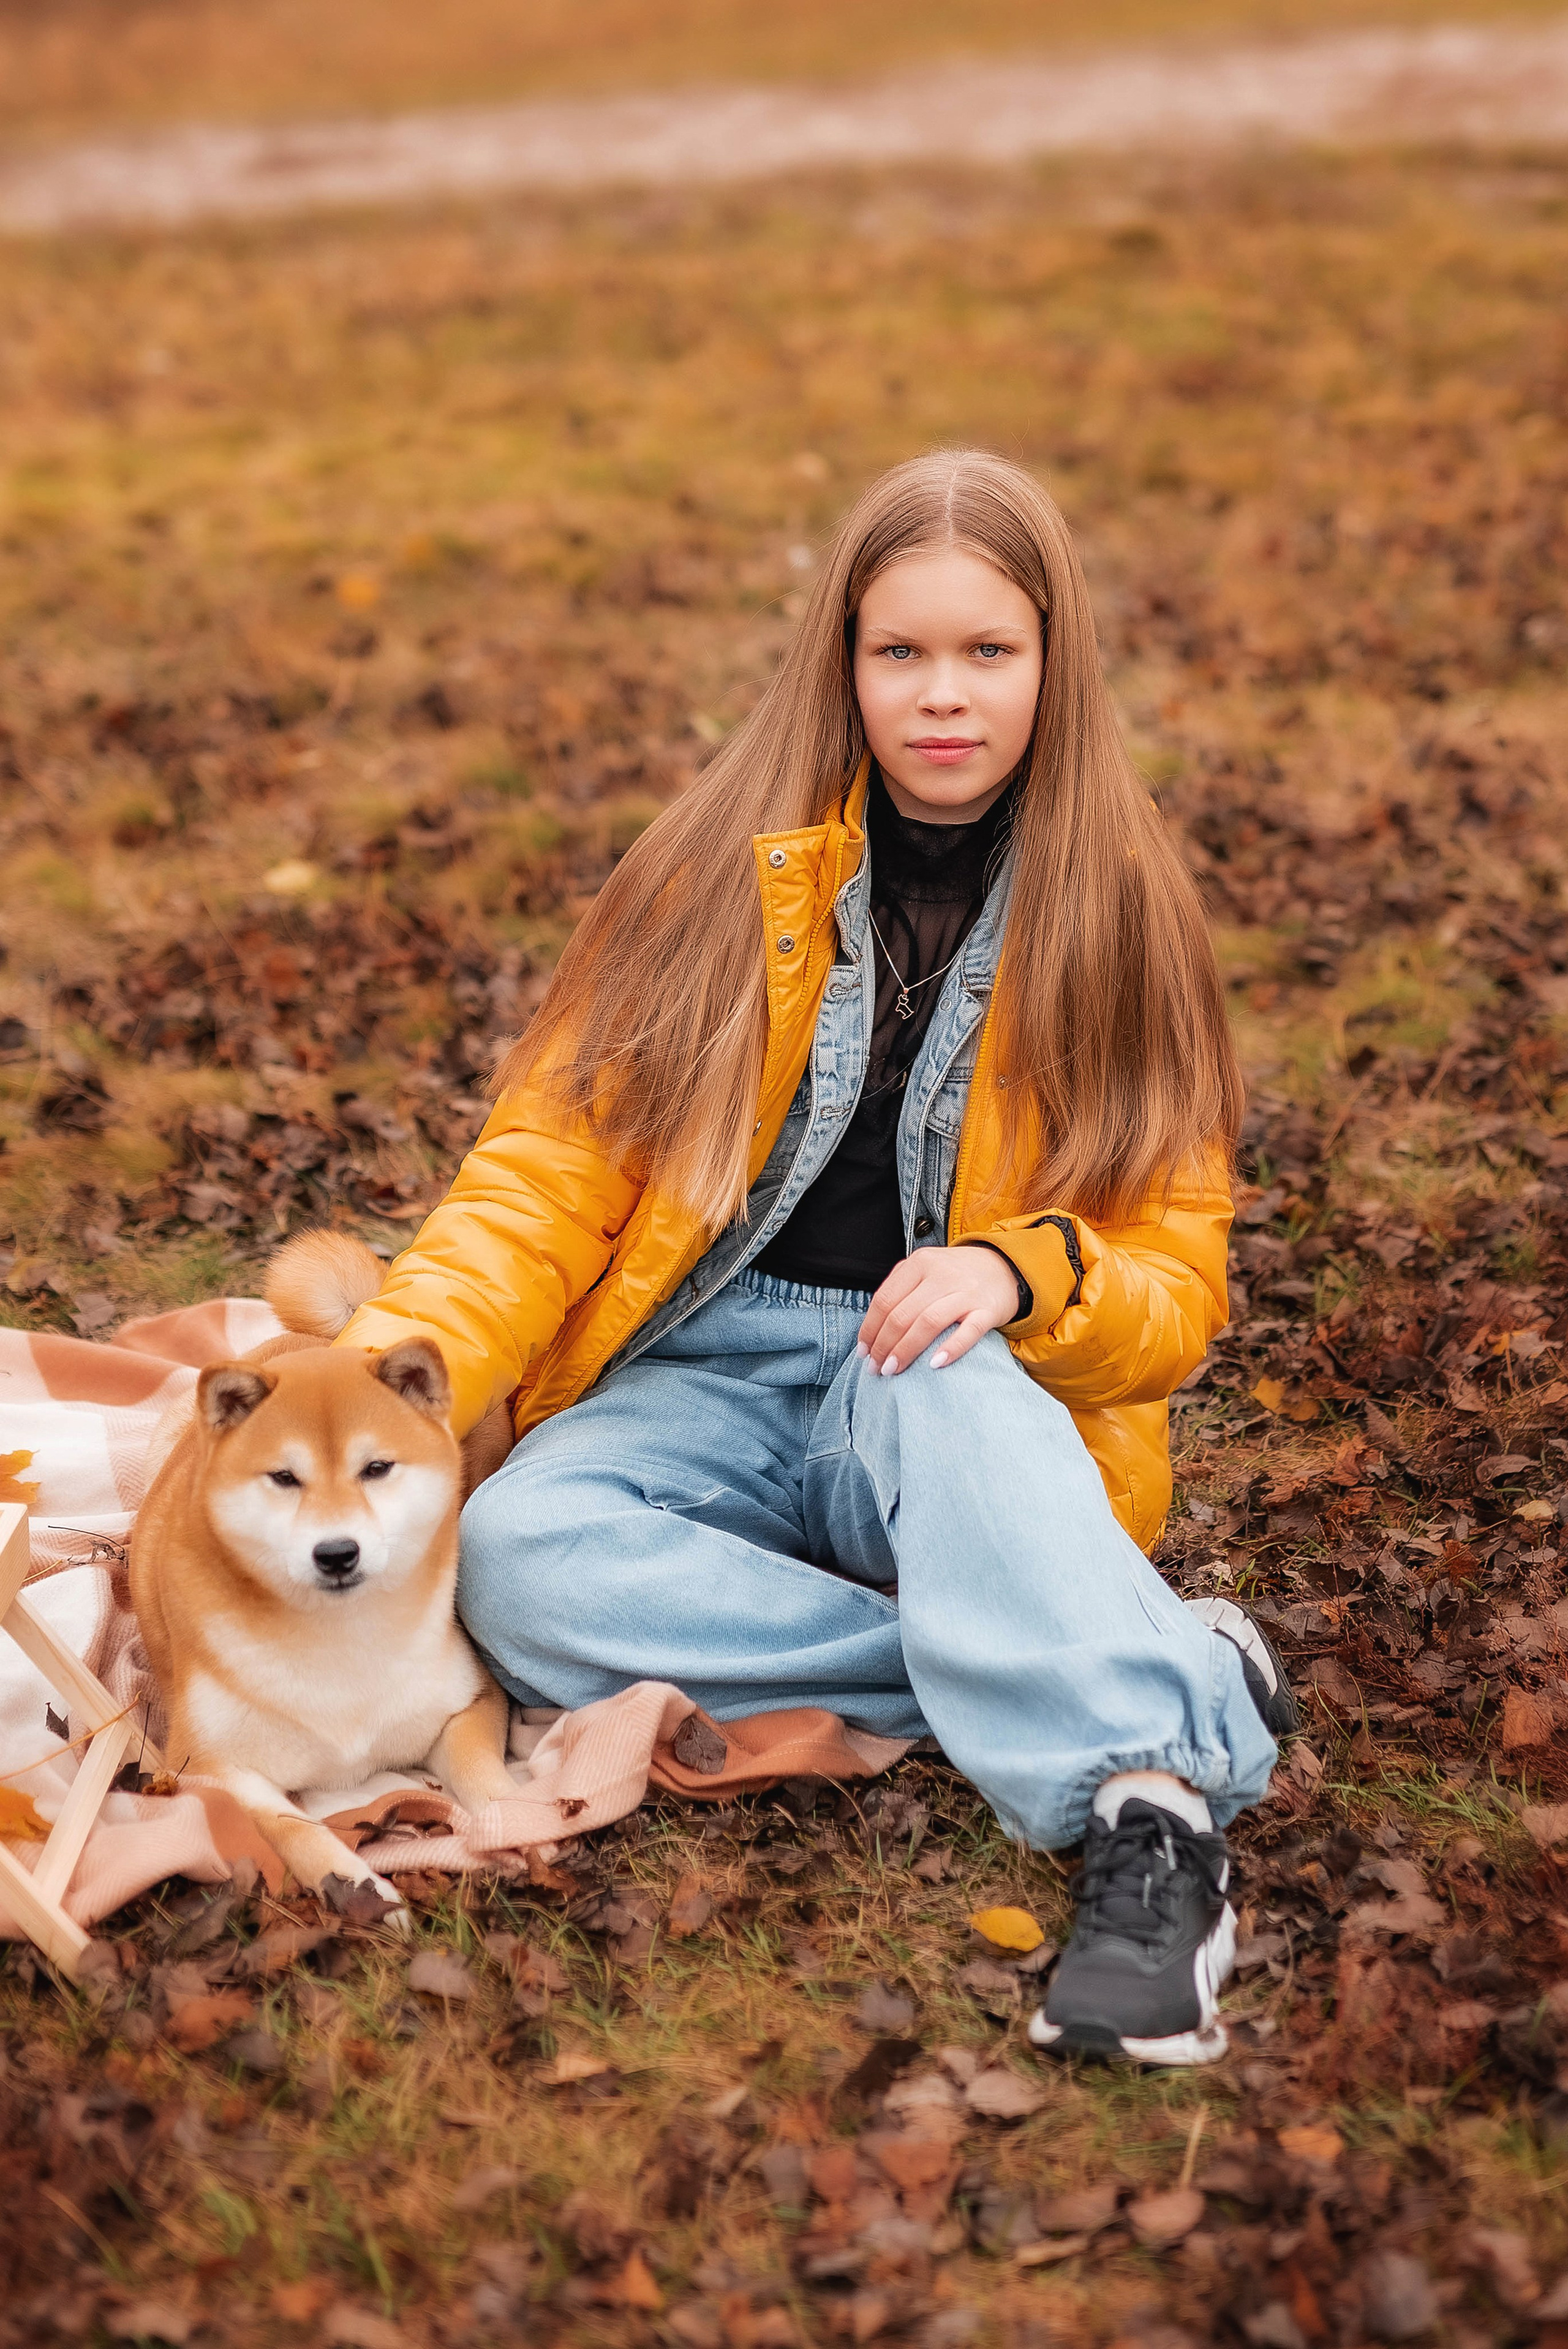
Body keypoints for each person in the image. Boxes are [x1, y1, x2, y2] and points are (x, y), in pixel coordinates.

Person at [335, 448, 1296, 2066]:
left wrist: (1024, 1274)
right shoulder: (711, 874)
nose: (942, 696)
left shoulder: (1127, 917)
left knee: (950, 1358)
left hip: (938, 1385)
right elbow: (545, 1174)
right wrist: (390, 1374)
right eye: (899, 652)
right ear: (839, 663)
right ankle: (1136, 1664)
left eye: (988, 653)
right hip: (701, 1367)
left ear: (1055, 665)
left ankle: (1153, 1819)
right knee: (516, 1558)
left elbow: (1175, 1299)